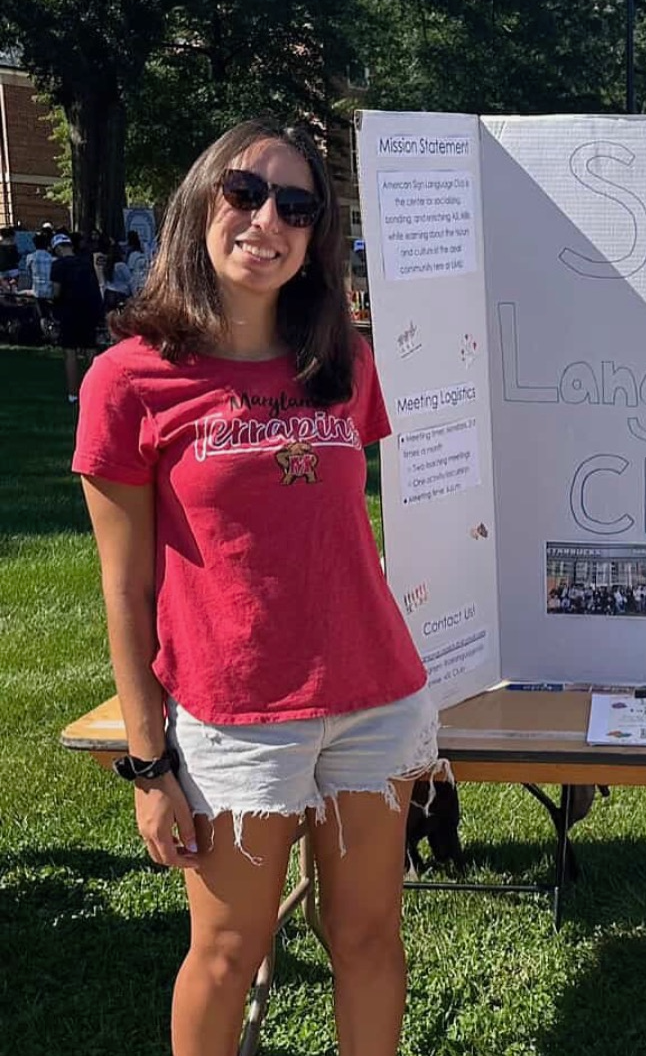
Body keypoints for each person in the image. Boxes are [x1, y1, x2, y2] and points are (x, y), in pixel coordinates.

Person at [72, 119, 440, 1056]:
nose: (266, 219)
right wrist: (151, 767)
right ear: (201, 201)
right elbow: (125, 589)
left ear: (317, 235)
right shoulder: (130, 381)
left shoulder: (345, 364)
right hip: (236, 712)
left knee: (365, 937)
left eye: (297, 206)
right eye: (245, 192)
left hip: (375, 697)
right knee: (230, 948)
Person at [50, 232, 105, 402]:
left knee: (70, 352)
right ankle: (96, 391)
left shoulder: (59, 265)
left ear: (58, 248)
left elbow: (56, 291)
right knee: (90, 349)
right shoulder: (86, 262)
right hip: (89, 309)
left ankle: (73, 394)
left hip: (69, 311)